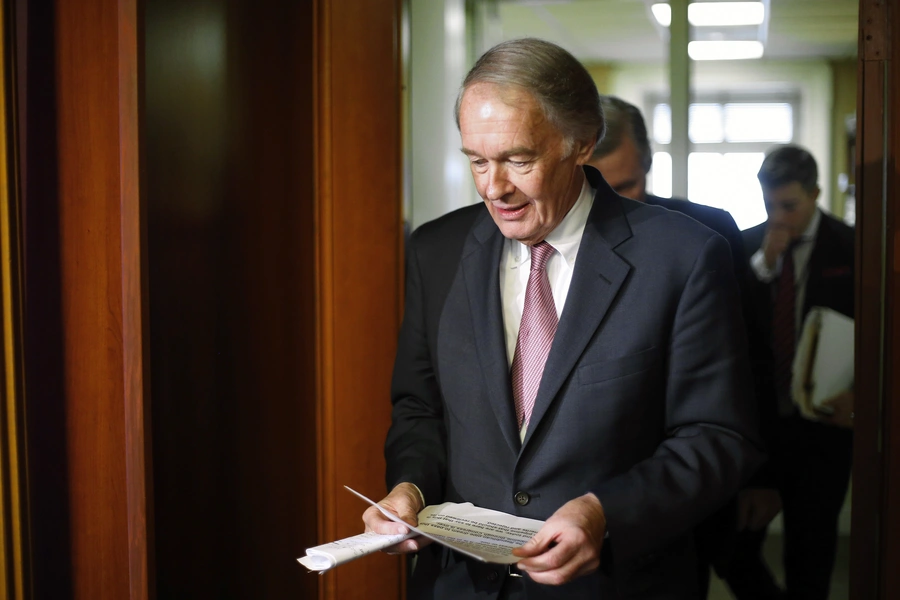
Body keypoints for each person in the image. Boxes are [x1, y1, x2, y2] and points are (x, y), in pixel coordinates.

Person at [363, 38, 764, 599]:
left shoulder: (683, 256)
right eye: (477, 160)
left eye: (518, 160)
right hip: (461, 586)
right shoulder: (436, 251)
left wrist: (605, 513)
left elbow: (717, 436)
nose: (493, 187)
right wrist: (410, 486)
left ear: (582, 143)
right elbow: (419, 408)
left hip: (612, 584)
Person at [588, 95, 784, 597]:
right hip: (583, 490)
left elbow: (755, 357)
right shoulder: (544, 245)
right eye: (593, 186)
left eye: (626, 185)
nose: (610, 205)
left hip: (688, 484)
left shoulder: (705, 232)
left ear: (649, 166)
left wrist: (766, 475)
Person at [723, 145, 854, 599]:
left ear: (816, 193)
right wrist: (765, 266)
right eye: (769, 205)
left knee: (810, 558)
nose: (778, 217)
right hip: (759, 426)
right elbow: (735, 335)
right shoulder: (744, 245)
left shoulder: (852, 247)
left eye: (790, 206)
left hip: (821, 430)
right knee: (733, 550)